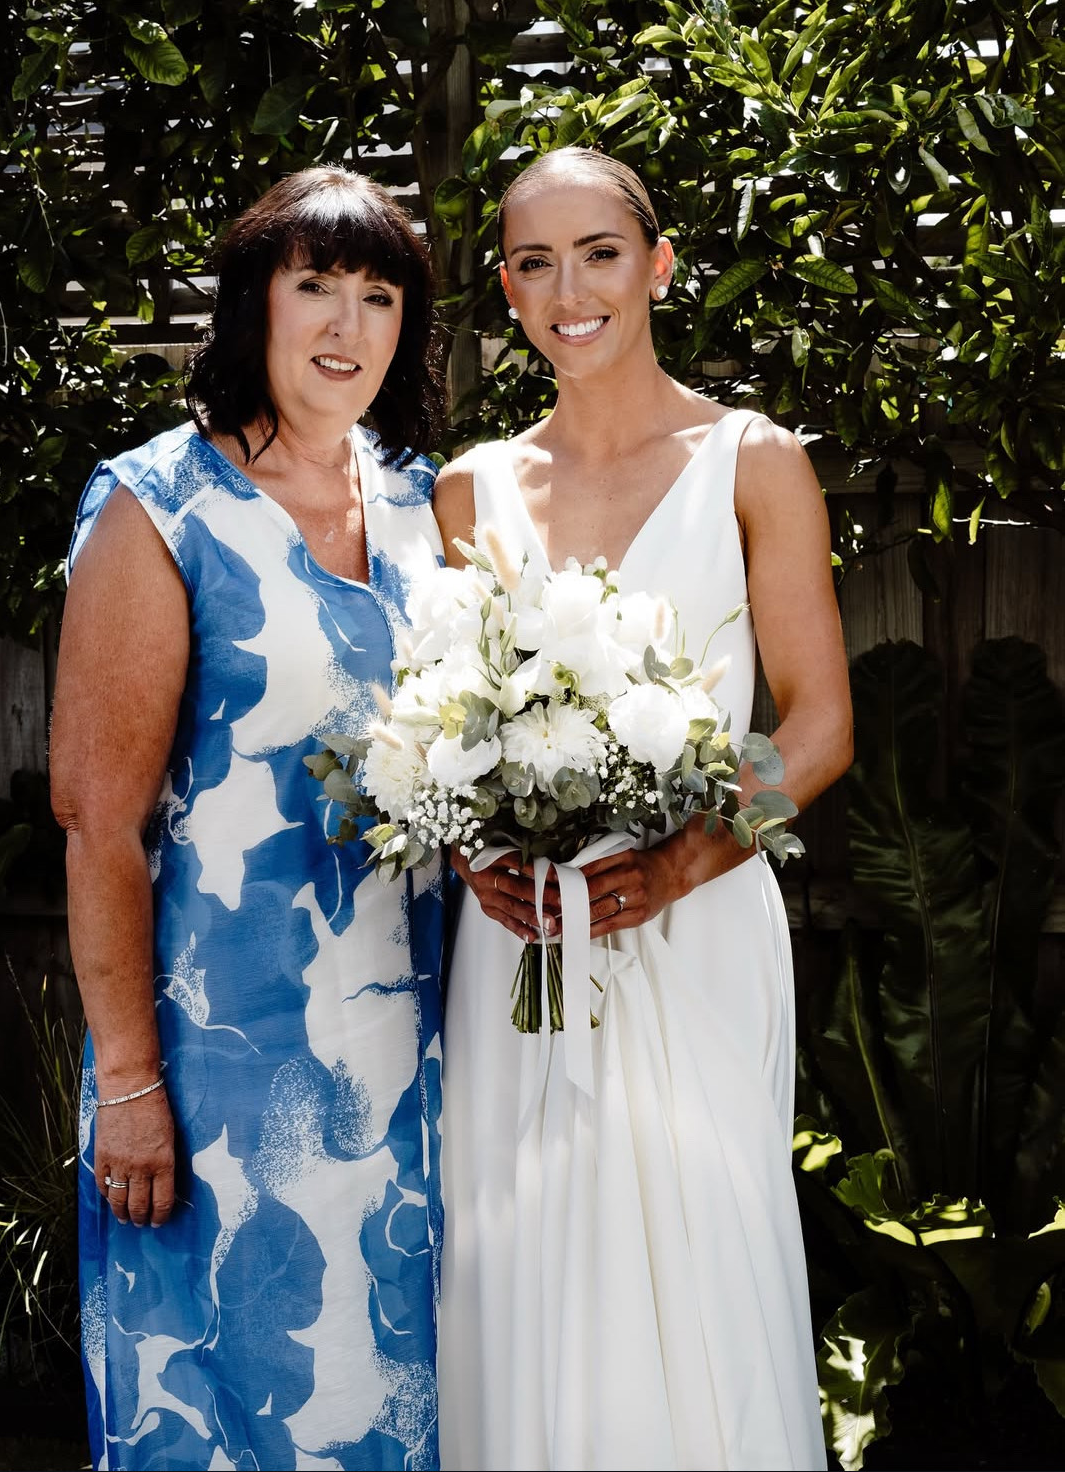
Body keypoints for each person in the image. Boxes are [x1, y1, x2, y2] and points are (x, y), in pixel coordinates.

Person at [433, 147, 853, 1471]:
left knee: (702, 1263)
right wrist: (471, 853)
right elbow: (444, 722)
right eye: (535, 264)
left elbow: (820, 725)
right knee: (526, 1264)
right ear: (508, 291)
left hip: (696, 921)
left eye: (600, 254)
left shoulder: (752, 461)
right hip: (522, 941)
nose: (571, 291)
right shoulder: (469, 489)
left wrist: (678, 865)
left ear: (659, 265)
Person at [49, 166, 448, 1472]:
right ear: (252, 307)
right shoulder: (158, 507)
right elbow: (96, 819)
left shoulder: (419, 507)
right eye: (314, 285)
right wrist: (130, 1083)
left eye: (378, 295)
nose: (347, 325)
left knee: (400, 1406)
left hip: (414, 1070)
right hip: (223, 1075)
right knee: (234, 1413)